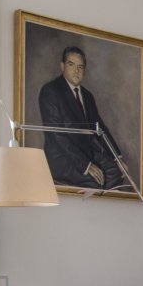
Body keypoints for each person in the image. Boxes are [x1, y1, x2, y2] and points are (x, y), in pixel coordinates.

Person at [36, 46, 127, 190]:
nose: (76, 71)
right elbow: (57, 136)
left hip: (87, 153)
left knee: (117, 173)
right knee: (97, 183)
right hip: (63, 158)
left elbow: (100, 128)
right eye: (71, 65)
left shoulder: (87, 96)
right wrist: (86, 165)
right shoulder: (50, 91)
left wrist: (117, 157)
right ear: (62, 66)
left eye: (80, 67)